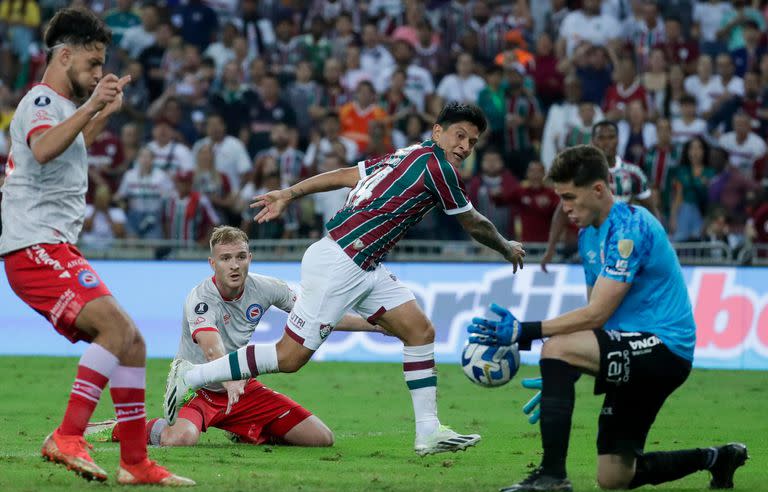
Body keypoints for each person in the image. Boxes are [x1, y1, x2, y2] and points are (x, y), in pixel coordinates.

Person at [165, 103, 525, 456]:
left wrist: (290, 192)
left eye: (472, 142)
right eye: (459, 136)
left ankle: (428, 431)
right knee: (289, 358)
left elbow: (345, 175)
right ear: (437, 132)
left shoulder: (407, 155)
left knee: (419, 331)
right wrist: (506, 246)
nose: (464, 146)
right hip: (341, 260)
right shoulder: (437, 167)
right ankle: (192, 377)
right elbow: (473, 222)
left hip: (366, 264)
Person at [468, 145, 748, 492]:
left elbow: (598, 312)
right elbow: (596, 318)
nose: (565, 207)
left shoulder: (631, 227)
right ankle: (716, 458)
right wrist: (562, 374)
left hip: (664, 347)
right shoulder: (588, 236)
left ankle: (552, 475)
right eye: (560, 198)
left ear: (598, 189)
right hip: (631, 348)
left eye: (570, 197)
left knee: (558, 348)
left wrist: (526, 333)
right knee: (615, 477)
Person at [0, 8, 192, 486]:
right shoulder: (41, 100)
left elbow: (68, 146)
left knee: (133, 342)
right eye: (92, 62)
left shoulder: (62, 108)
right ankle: (67, 435)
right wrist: (92, 107)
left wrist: (101, 112)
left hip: (56, 248)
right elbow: (44, 148)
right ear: (64, 56)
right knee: (113, 329)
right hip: (34, 247)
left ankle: (135, 463)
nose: (98, 72)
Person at [86, 226, 382, 448]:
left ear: (250, 258)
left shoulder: (268, 288)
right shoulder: (201, 298)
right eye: (225, 258)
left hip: (240, 387)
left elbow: (319, 315)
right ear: (212, 263)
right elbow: (211, 347)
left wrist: (376, 325)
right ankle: (118, 427)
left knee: (320, 439)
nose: (234, 265)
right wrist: (229, 381)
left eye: (240, 257)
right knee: (180, 440)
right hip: (198, 387)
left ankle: (241, 429)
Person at [541, 121, 657, 271]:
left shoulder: (633, 173)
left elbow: (652, 210)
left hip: (623, 246)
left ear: (618, 139)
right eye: (601, 138)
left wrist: (658, 243)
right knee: (595, 292)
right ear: (593, 141)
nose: (606, 142)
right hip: (592, 246)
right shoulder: (580, 175)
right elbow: (562, 211)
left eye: (611, 137)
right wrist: (551, 248)